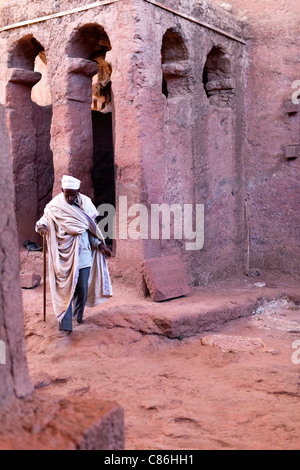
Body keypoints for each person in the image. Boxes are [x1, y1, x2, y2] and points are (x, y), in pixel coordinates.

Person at [36, 175, 113, 336]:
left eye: (74, 194)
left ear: (79, 191)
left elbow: (91, 231)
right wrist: (42, 227)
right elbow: (44, 220)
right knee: (65, 289)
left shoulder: (86, 204)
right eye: (67, 194)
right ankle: (65, 326)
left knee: (82, 287)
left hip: (83, 253)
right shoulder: (55, 206)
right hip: (63, 254)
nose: (71, 198)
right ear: (62, 190)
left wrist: (100, 246)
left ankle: (78, 317)